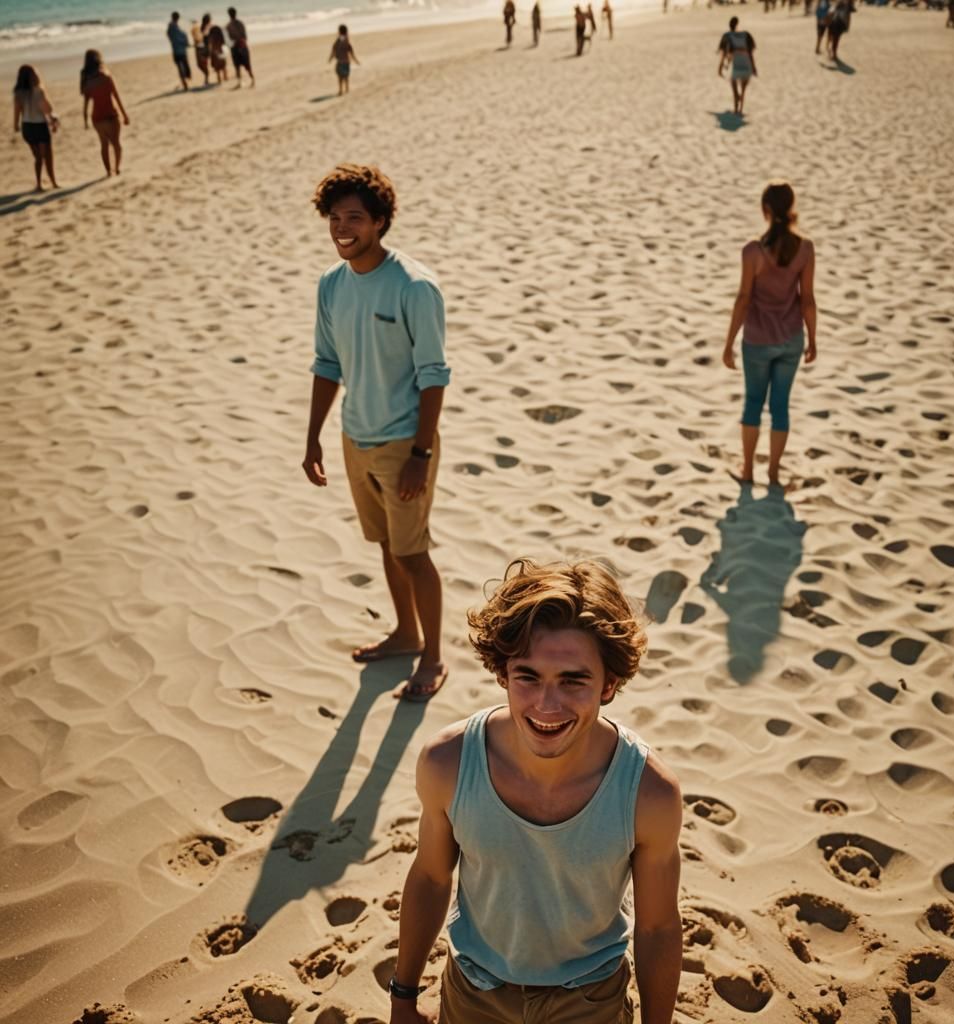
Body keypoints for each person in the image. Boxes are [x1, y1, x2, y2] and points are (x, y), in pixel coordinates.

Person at [387, 558, 683, 1024]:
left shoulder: (649, 792)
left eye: (573, 680)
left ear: (609, 684)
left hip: (590, 1000)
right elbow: (430, 877)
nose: (547, 705)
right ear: (502, 673)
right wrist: (402, 995)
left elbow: (658, 926)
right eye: (528, 676)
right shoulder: (447, 762)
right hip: (473, 992)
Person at [304, 165, 450, 702]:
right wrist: (312, 437)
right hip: (354, 438)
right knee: (387, 544)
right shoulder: (331, 284)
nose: (343, 228)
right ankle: (405, 633)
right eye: (335, 218)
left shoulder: (414, 287)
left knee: (413, 552)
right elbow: (327, 362)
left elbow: (434, 375)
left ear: (380, 222)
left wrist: (421, 452)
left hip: (403, 443)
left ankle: (433, 656)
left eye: (355, 218)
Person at [722, 182, 816, 488]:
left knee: (752, 403)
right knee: (780, 407)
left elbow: (743, 298)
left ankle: (748, 471)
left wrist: (729, 342)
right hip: (791, 338)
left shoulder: (753, 252)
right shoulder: (805, 249)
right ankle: (773, 473)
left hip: (758, 339)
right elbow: (808, 299)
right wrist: (813, 338)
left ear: (765, 210)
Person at [81, 50, 130, 177]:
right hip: (110, 114)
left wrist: (85, 120)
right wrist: (124, 114)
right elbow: (116, 96)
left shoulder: (87, 82)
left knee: (104, 144)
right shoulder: (106, 77)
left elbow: (86, 103)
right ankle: (117, 168)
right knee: (116, 143)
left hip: (97, 117)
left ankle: (108, 171)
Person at [11, 65, 59, 191]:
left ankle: (39, 184)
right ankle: (53, 182)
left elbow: (17, 112)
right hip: (40, 126)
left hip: (27, 127)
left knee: (37, 157)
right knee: (47, 155)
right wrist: (53, 119)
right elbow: (47, 109)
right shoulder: (38, 90)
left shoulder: (18, 94)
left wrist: (16, 126)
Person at [718, 17, 757, 115]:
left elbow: (724, 54)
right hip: (747, 64)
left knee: (734, 85)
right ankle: (740, 110)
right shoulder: (746, 35)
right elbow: (751, 53)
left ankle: (736, 108)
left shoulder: (727, 36)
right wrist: (754, 68)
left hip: (736, 66)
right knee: (743, 89)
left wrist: (720, 67)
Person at [226, 7, 255, 87]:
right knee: (248, 65)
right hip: (243, 46)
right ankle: (252, 80)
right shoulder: (241, 23)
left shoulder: (228, 26)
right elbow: (245, 36)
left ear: (229, 15)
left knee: (237, 66)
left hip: (235, 47)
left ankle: (240, 82)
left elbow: (230, 38)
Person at [329, 24, 360, 95]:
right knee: (346, 77)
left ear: (339, 32)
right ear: (346, 31)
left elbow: (333, 50)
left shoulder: (337, 41)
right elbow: (351, 52)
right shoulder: (347, 41)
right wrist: (356, 60)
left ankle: (340, 90)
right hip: (346, 62)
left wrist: (330, 58)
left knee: (340, 77)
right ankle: (347, 89)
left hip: (340, 62)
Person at [167, 11, 191, 91]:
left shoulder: (170, 27)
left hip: (176, 51)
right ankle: (185, 82)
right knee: (184, 66)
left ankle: (184, 83)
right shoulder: (177, 28)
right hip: (182, 51)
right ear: (178, 18)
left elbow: (169, 36)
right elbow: (184, 38)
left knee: (180, 68)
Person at [207, 19, 228, 83]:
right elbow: (224, 43)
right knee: (223, 65)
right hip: (221, 50)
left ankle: (219, 78)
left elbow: (210, 45)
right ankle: (225, 76)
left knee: (217, 67)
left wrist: (210, 51)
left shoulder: (211, 37)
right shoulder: (220, 36)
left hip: (214, 52)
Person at [193, 15, 211, 85]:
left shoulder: (208, 28)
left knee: (201, 64)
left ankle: (206, 78)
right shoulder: (201, 28)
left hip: (205, 49)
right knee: (200, 64)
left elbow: (204, 37)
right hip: (201, 48)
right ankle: (207, 77)